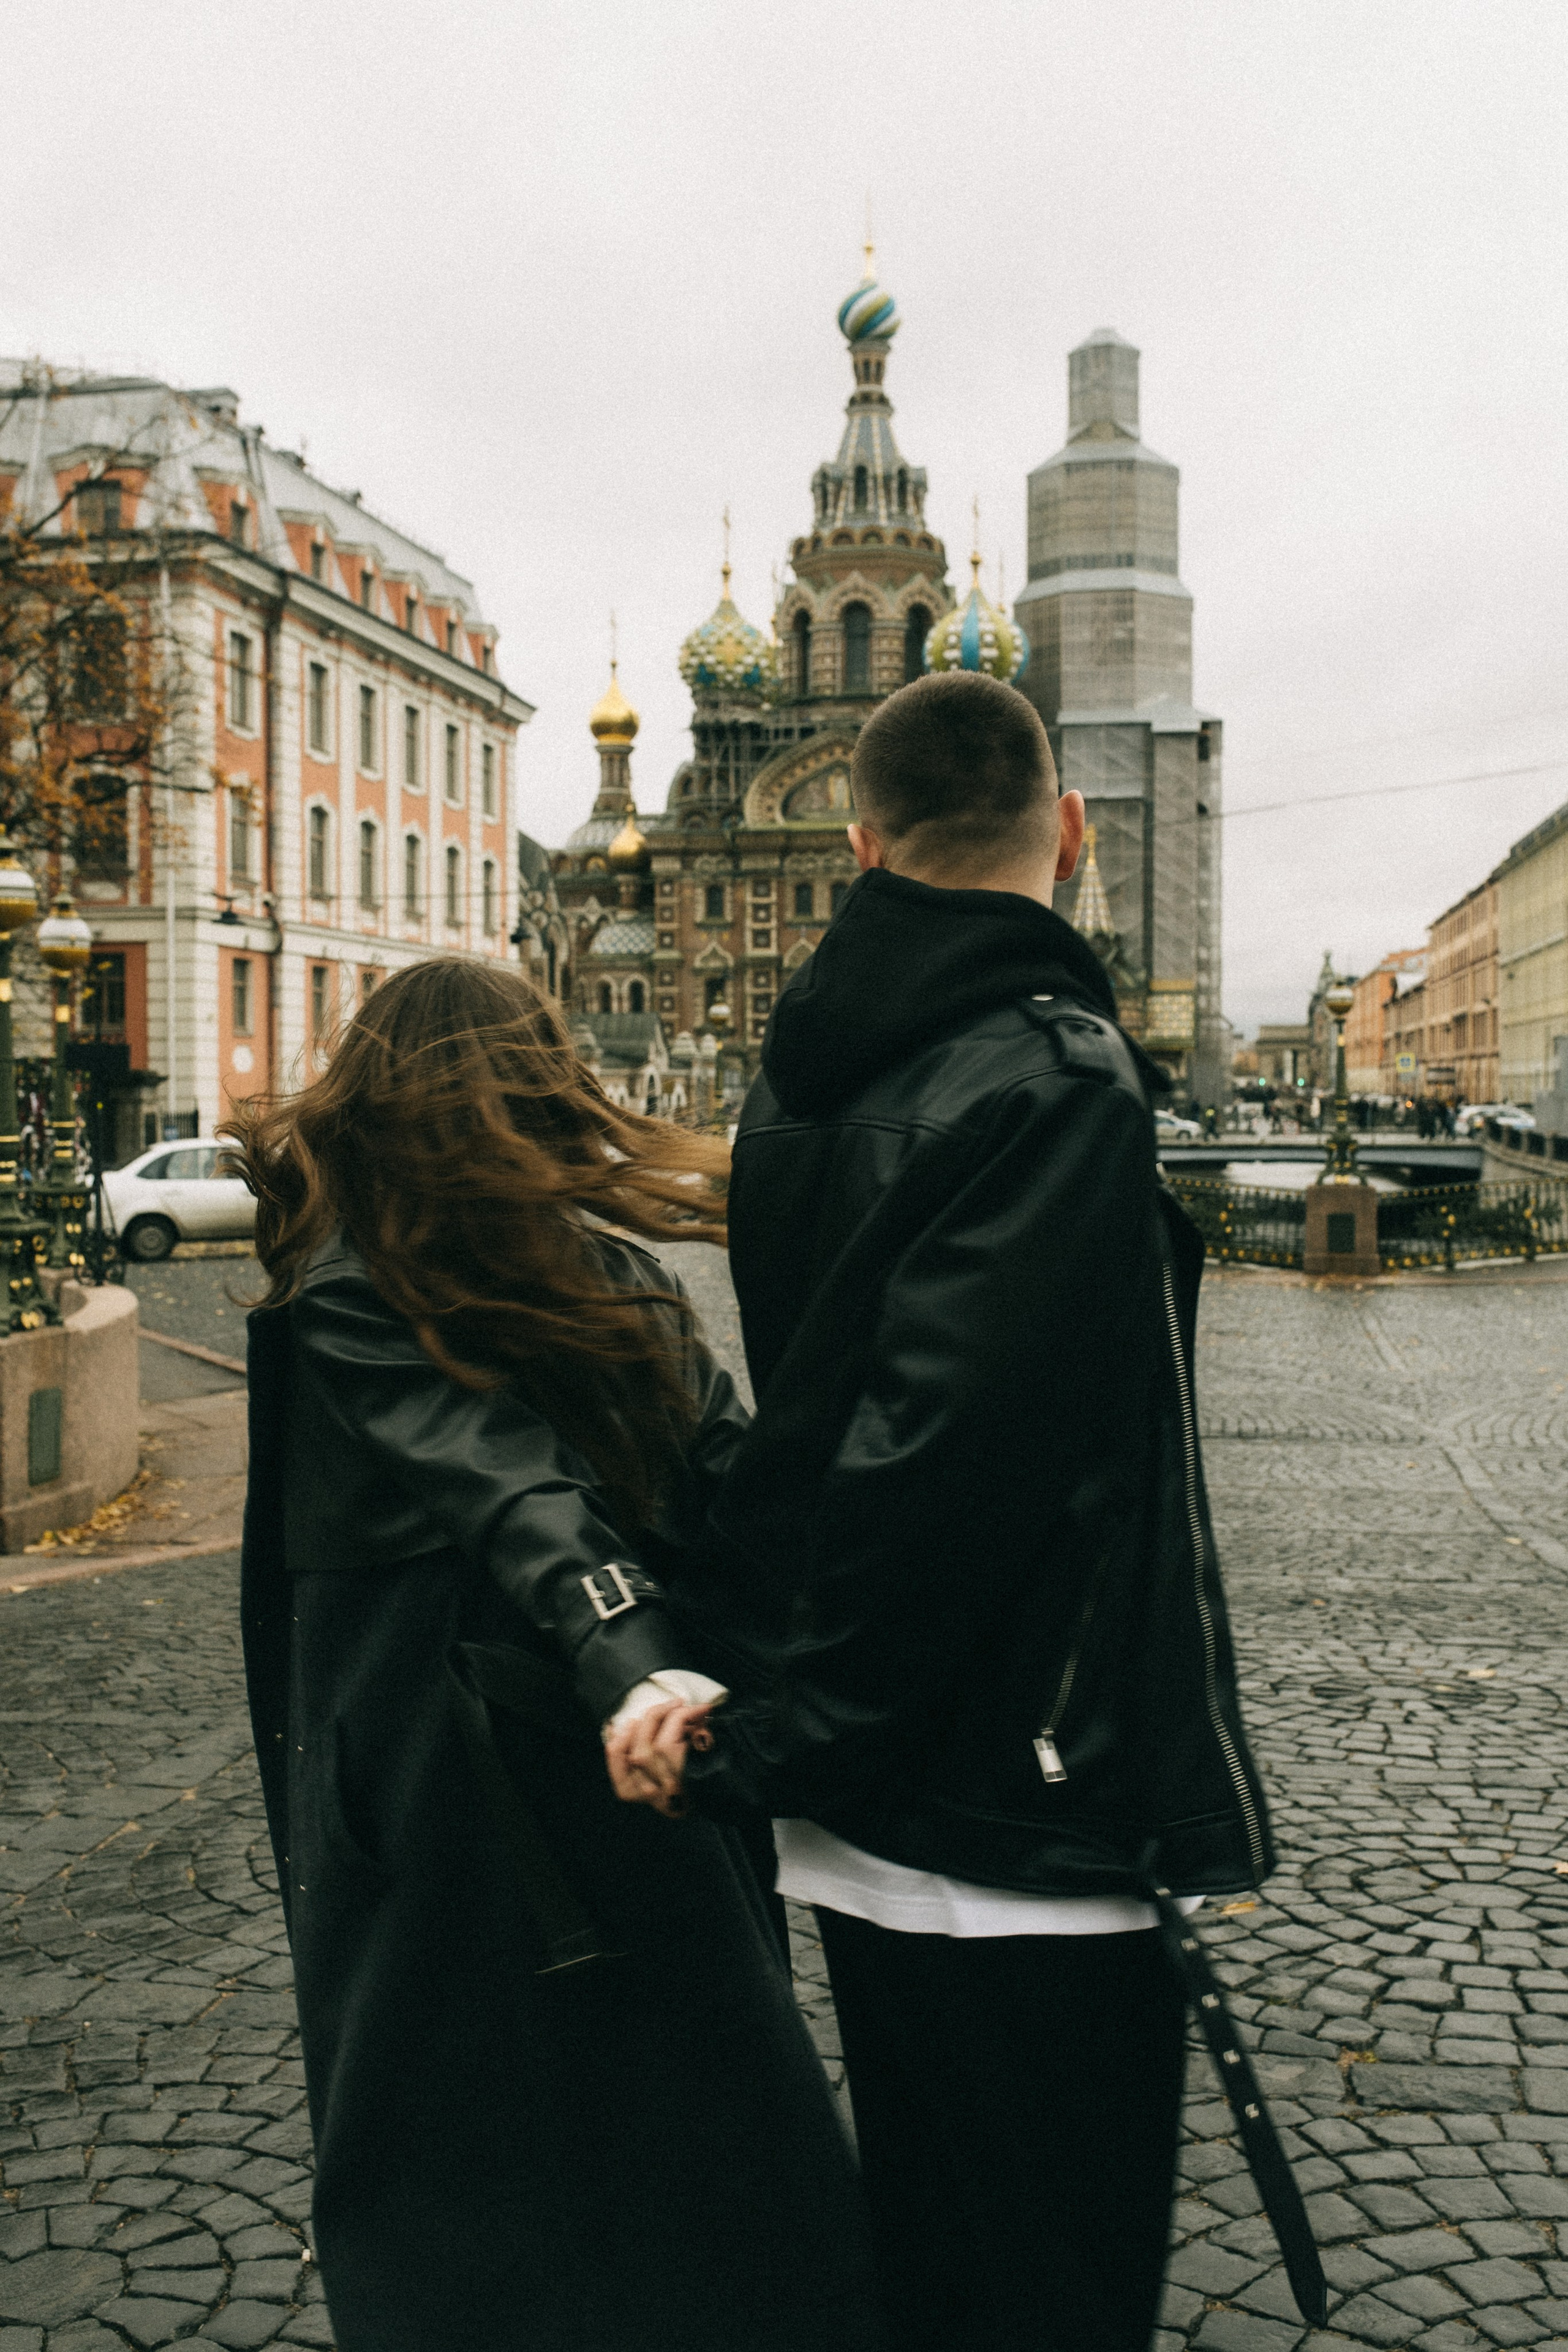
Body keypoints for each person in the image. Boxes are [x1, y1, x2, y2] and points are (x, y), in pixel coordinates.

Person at [610, 672, 1277, 2352]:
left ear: (859, 842)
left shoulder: (807, 1075)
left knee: (934, 2262)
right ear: (1067, 832)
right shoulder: (1056, 1075)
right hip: (1025, 1810)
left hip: (889, 1827)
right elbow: (949, 1466)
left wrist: (780, 1715)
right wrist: (794, 1738)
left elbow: (826, 1430)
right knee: (1053, 2288)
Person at [227, 957, 882, 2352]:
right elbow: (515, 1484)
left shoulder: (380, 1280)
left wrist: (653, 1652)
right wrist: (645, 1654)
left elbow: (635, 1487)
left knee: (479, 2188)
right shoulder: (416, 1284)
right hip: (597, 1768)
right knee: (679, 2141)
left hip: (469, 1792)